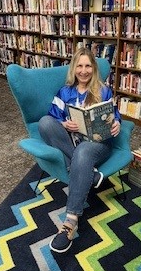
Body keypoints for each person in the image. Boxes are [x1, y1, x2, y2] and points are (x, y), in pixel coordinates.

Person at [38, 47, 121, 253]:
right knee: (45, 123)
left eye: (88, 66)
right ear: (73, 68)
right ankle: (88, 174)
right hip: (71, 141)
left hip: (98, 144)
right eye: (79, 66)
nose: (83, 71)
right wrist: (64, 124)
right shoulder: (65, 92)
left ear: (93, 68)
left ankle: (70, 221)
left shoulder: (103, 91)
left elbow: (114, 116)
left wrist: (117, 123)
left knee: (84, 150)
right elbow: (52, 116)